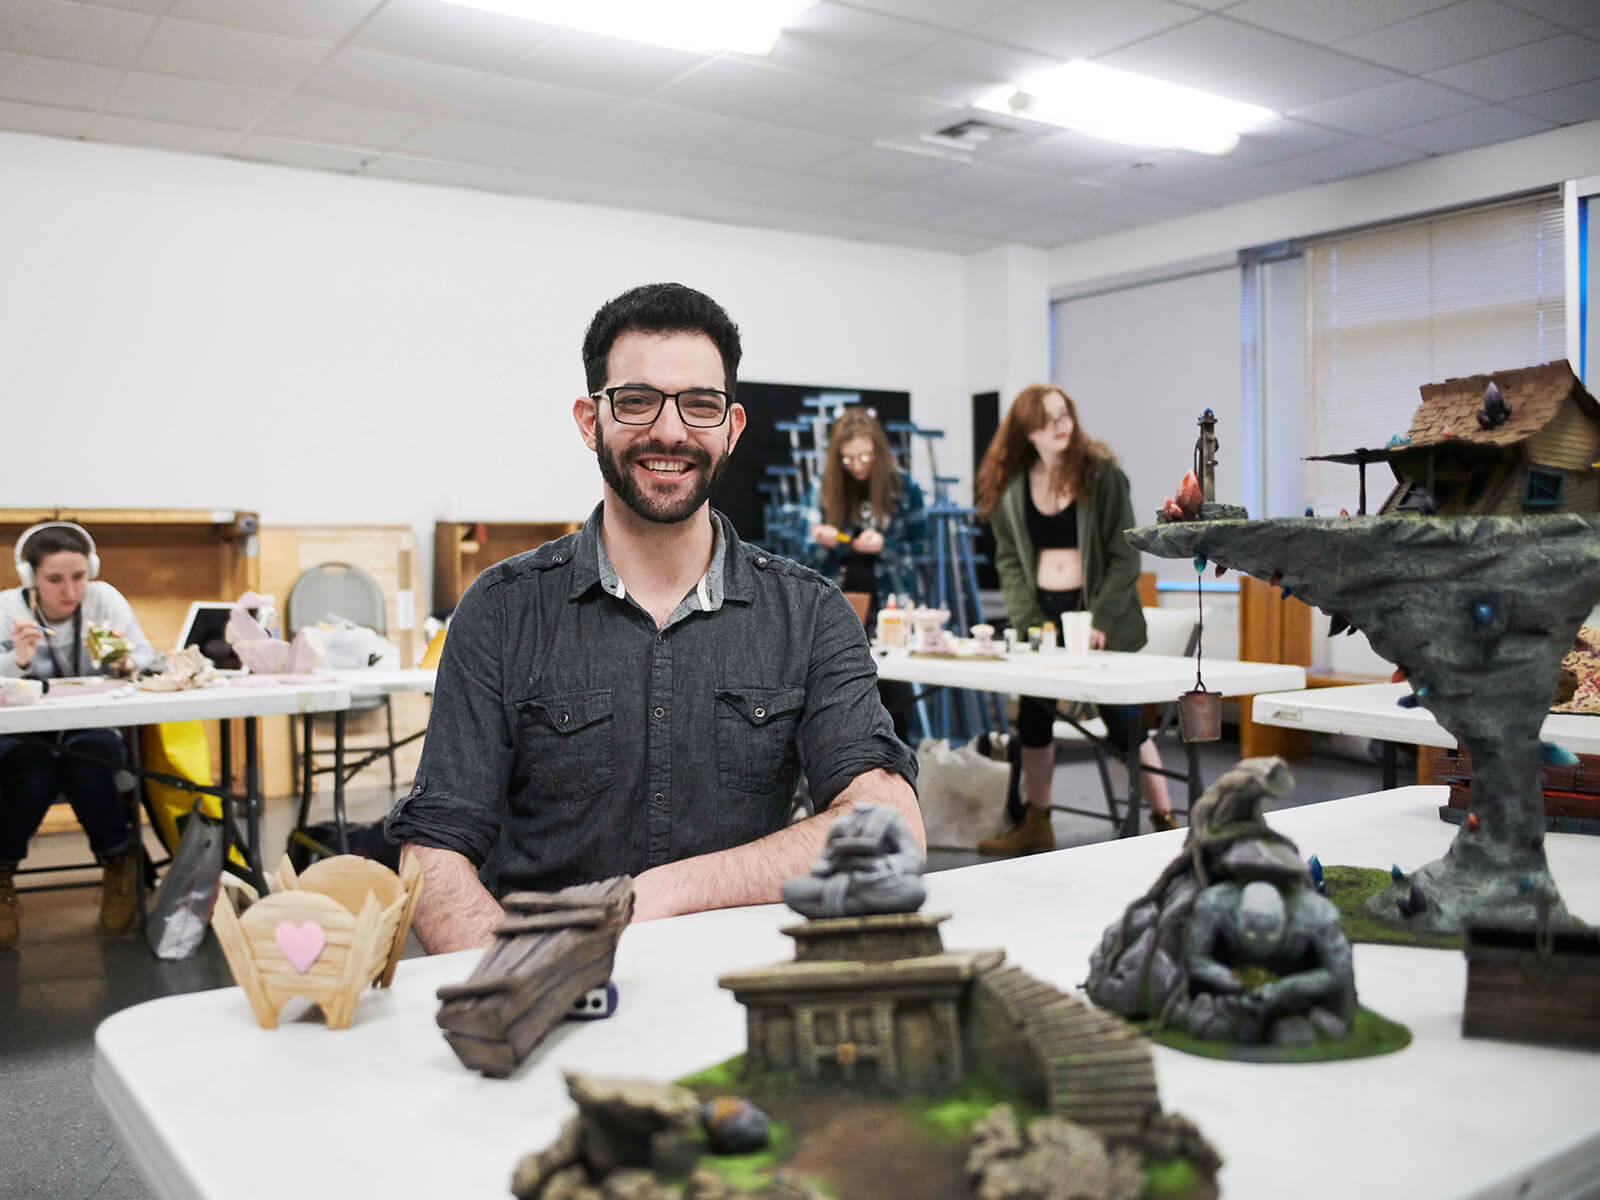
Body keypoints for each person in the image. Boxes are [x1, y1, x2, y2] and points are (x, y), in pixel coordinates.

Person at [386, 283, 923, 952]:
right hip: (540, 1006)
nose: (669, 431)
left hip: (735, 992)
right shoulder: (501, 611)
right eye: (637, 401)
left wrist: (664, 892)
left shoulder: (810, 614)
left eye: (700, 406)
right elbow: (433, 852)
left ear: (731, 429)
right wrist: (519, 987)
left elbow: (889, 826)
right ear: (590, 420)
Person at [972, 384, 1176, 855]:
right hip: (1043, 615)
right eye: (1048, 420)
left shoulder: (1103, 476)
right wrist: (1028, 620)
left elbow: (1126, 556)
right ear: (1027, 432)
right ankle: (1037, 821)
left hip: (1099, 616)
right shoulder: (1013, 486)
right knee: (1035, 721)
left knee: (1123, 719)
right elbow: (1007, 560)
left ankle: (1165, 820)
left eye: (1065, 415)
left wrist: (1100, 617)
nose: (1061, 426)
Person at [0, 522, 156, 944]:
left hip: (90, 727)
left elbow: (146, 654)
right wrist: (17, 659)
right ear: (30, 577)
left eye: (79, 577)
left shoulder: (103, 599)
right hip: (23, 734)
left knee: (88, 758)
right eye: (55, 579)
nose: (70, 591)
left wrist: (126, 663)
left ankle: (117, 863)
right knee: (31, 767)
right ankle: (4, 871)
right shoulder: (6, 608)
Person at [804, 408, 926, 623]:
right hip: (835, 600)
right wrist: (820, 538)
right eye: (848, 459)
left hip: (892, 597)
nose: (857, 466)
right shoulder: (823, 487)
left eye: (864, 457)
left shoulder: (904, 487)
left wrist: (884, 546)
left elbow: (922, 547)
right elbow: (801, 552)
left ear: (878, 452)